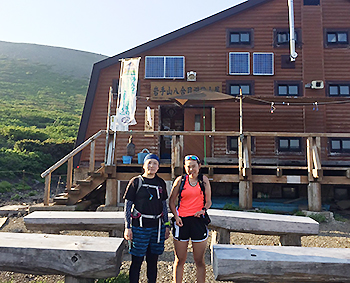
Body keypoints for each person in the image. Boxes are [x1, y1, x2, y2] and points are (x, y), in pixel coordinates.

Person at [123, 153, 171, 283]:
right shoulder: (136, 182)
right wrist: (128, 227)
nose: (152, 166)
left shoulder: (161, 183)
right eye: (149, 163)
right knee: (137, 260)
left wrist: (167, 225)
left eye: (155, 163)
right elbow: (128, 206)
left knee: (153, 260)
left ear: (158, 167)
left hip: (157, 227)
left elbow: (164, 206)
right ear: (144, 165)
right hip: (139, 227)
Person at [169, 155, 212, 283]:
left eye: (193, 166)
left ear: (199, 166)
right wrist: (176, 217)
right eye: (188, 166)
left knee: (199, 260)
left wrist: (203, 210)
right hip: (181, 221)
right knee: (180, 259)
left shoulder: (203, 180)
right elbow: (171, 201)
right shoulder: (180, 180)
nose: (191, 169)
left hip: (198, 220)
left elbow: (209, 201)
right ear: (184, 167)